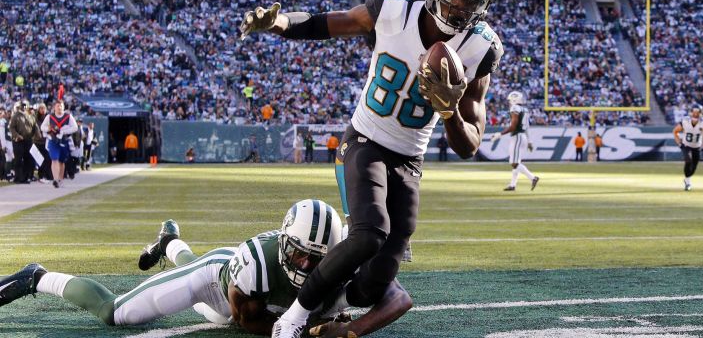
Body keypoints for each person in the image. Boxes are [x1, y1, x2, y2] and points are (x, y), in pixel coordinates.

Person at [241, 0, 503, 338]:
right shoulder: (393, 7)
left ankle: (330, 304)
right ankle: (292, 318)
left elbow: (469, 144)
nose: (459, 7)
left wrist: (449, 112)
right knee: (370, 232)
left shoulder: (481, 48)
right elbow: (331, 23)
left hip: (409, 158)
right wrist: (279, 22)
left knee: (375, 282)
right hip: (365, 138)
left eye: (471, 0)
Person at [0, 200, 412, 337]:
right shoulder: (256, 263)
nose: (306, 264)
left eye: (317, 259)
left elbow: (399, 297)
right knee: (117, 313)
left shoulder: (343, 259)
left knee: (189, 264)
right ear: (285, 243)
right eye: (299, 253)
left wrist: (348, 330)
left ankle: (168, 242)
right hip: (219, 285)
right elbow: (245, 321)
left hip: (251, 289)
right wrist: (306, 326)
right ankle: (38, 277)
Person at [491, 91, 538, 191]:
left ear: (514, 99)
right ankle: (513, 185)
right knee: (516, 162)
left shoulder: (515, 108)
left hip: (517, 137)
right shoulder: (524, 109)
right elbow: (527, 127)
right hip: (522, 136)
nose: (509, 103)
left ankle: (533, 177)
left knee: (514, 162)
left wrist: (500, 134)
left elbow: (513, 126)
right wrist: (529, 141)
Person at [673, 105, 703, 191]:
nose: (695, 114)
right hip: (686, 145)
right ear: (691, 113)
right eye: (694, 112)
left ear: (701, 113)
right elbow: (675, 131)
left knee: (694, 167)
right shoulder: (685, 121)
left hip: (697, 147)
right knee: (688, 160)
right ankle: (688, 182)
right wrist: (679, 143)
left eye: (697, 113)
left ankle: (687, 179)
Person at [40, 100, 79, 188]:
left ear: (63, 107)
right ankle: (55, 179)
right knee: (54, 159)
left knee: (61, 161)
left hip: (64, 141)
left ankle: (60, 180)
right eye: (58, 106)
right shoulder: (49, 116)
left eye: (61, 106)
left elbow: (75, 127)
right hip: (53, 141)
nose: (59, 107)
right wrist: (49, 129)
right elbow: (42, 127)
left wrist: (64, 131)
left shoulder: (68, 116)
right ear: (54, 107)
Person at [9, 100, 36, 184]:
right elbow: (11, 128)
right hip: (18, 140)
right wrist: (17, 135)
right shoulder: (15, 116)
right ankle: (18, 177)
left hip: (28, 140)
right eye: (23, 105)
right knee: (18, 160)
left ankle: (25, 177)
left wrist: (34, 136)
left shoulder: (29, 116)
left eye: (25, 105)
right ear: (20, 106)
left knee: (28, 159)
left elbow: (34, 126)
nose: (24, 107)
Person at [34, 103, 53, 181]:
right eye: (41, 108)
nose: (42, 110)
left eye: (44, 108)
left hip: (47, 141)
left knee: (48, 159)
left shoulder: (49, 118)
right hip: (38, 142)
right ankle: (41, 175)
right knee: (40, 159)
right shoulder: (35, 118)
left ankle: (48, 175)